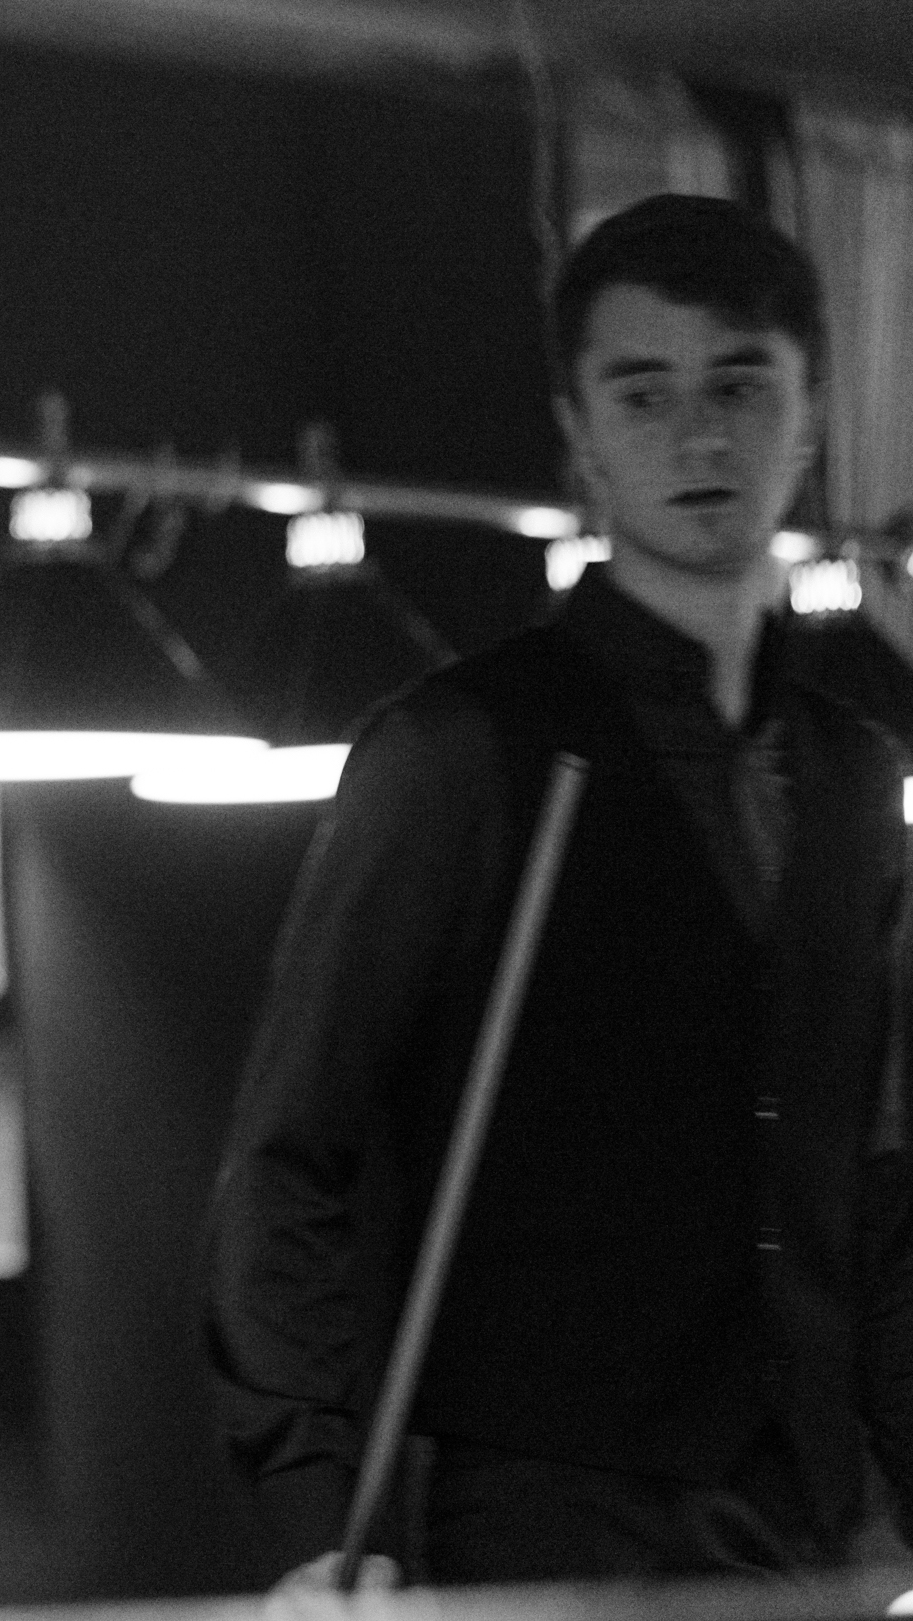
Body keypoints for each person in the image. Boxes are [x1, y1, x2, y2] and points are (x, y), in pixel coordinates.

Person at [207, 192, 911, 1588]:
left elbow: (888, 1190)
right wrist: (314, 1518)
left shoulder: (856, 776)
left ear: (812, 417)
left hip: (819, 1522)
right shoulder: (459, 749)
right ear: (579, 433)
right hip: (546, 1523)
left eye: (740, 386)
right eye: (643, 394)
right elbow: (287, 1158)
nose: (697, 438)